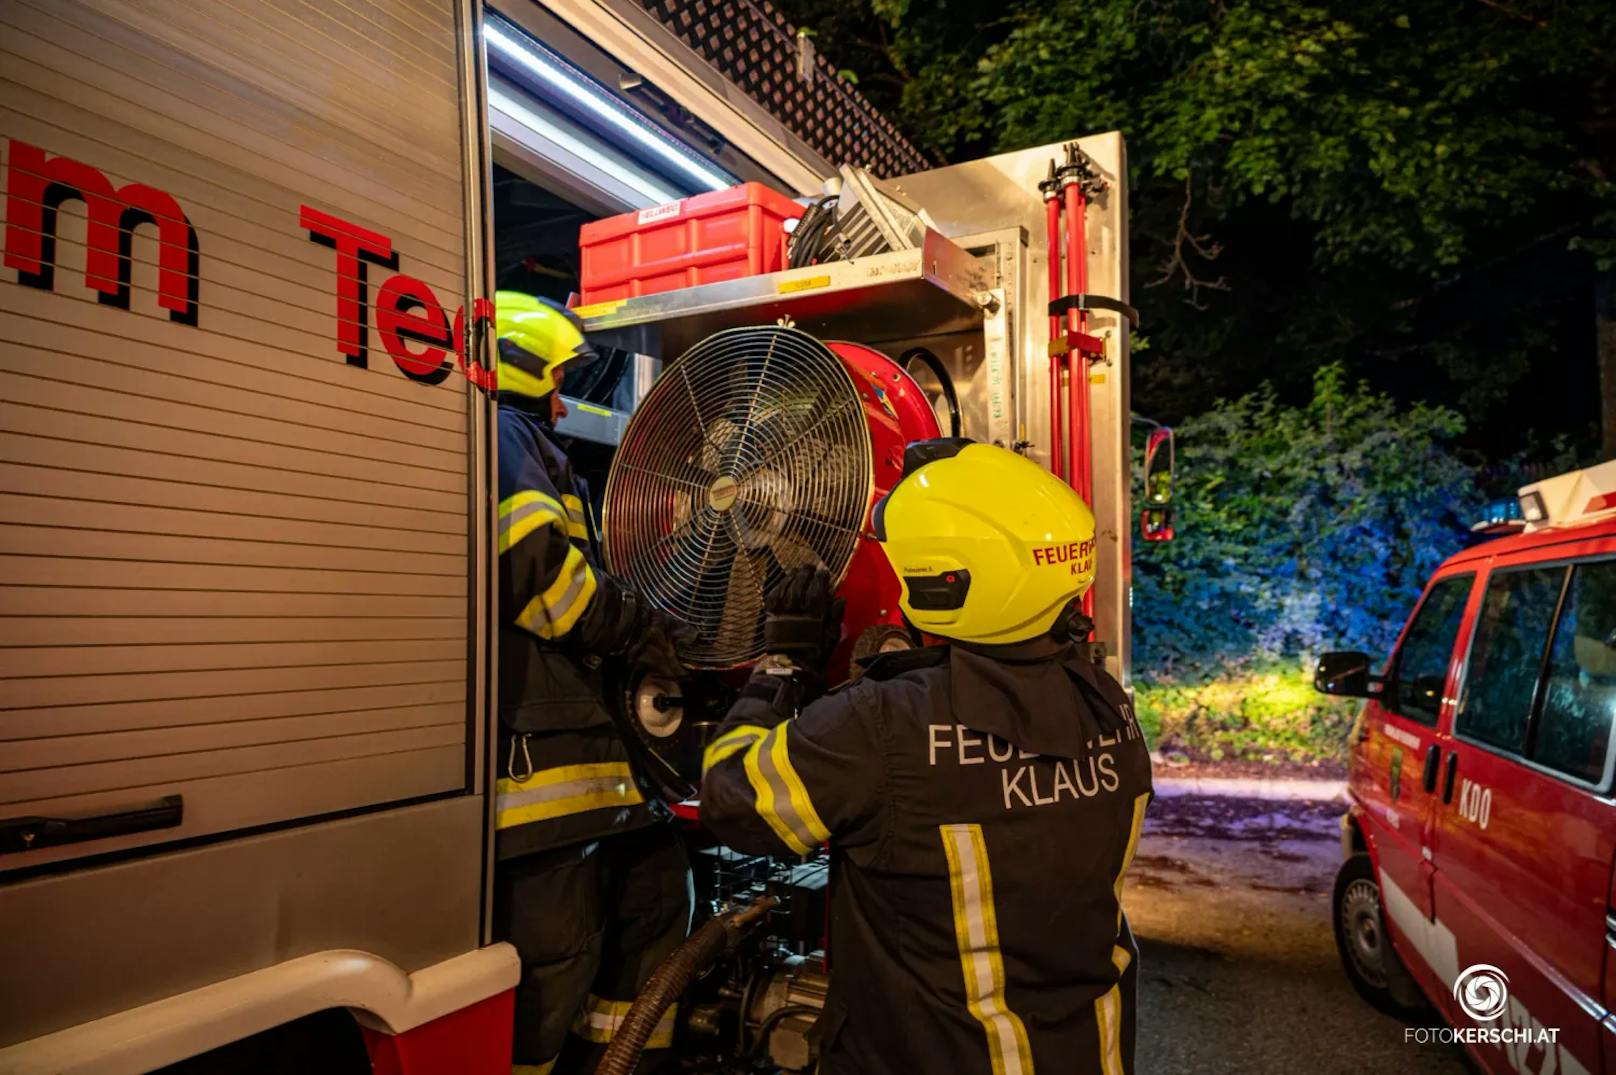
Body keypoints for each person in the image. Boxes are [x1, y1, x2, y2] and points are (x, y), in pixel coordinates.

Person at [700, 438, 1154, 1075]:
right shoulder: (1110, 705)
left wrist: (782, 665)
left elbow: (730, 798)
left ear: (947, 581)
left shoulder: (881, 722)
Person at [492, 291, 693, 1075]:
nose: (564, 393)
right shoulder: (505, 437)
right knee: (554, 968)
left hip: (597, 780)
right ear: (530, 366)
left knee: (654, 904)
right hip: (543, 782)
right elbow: (542, 579)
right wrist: (645, 630)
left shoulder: (538, 451)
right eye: (560, 374)